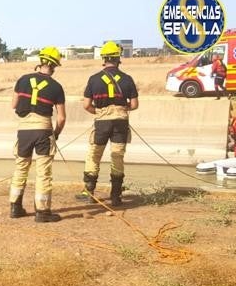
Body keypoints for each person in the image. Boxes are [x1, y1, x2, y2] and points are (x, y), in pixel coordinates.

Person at [77, 41, 139, 207]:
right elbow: (134, 105)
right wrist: (120, 109)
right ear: (118, 58)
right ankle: (116, 196)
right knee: (117, 156)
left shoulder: (94, 79)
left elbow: (86, 105)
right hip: (120, 122)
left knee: (94, 155)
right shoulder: (127, 79)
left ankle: (89, 193)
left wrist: (98, 112)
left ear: (103, 58)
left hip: (102, 122)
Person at [9, 46, 66, 222]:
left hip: (24, 130)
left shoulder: (23, 80)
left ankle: (15, 207)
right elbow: (62, 118)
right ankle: (42, 212)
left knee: (21, 168)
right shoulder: (56, 87)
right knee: (43, 172)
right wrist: (55, 134)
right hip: (43, 130)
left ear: (40, 61)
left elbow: (13, 105)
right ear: (55, 65)